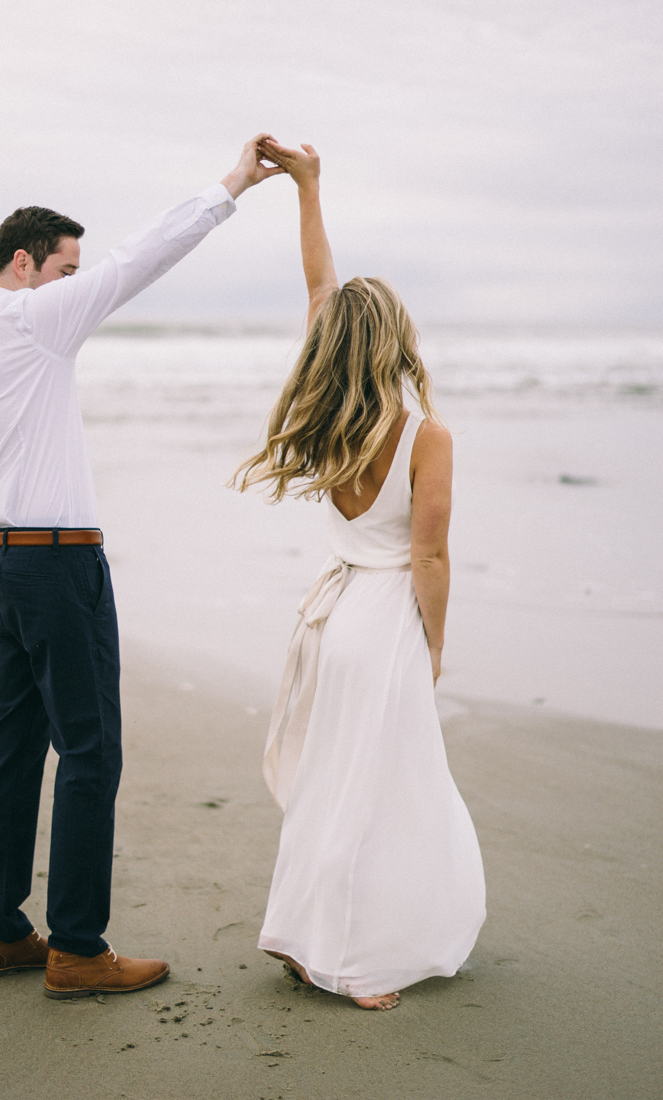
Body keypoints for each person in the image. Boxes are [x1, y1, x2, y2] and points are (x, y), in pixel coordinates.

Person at [0, 134, 284, 1000]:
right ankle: (79, 948)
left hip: (0, 563)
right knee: (90, 753)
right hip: (56, 565)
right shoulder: (32, 318)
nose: (76, 284)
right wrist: (233, 183)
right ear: (24, 264)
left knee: (10, 748)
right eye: (64, 268)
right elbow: (140, 260)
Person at [234, 138, 486, 1011]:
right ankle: (356, 961)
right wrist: (437, 641)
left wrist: (308, 189)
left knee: (329, 780)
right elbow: (429, 555)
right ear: (399, 337)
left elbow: (316, 288)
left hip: (335, 615)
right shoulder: (426, 434)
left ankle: (307, 942)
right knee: (380, 792)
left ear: (340, 338)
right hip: (384, 622)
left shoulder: (325, 413)